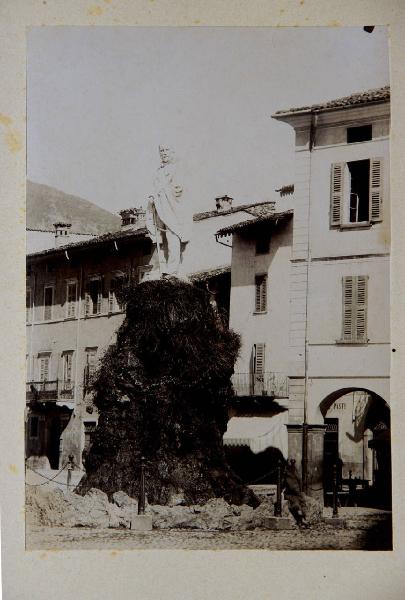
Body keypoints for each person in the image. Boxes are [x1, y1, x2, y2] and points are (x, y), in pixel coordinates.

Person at [146, 145, 190, 277]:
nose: (164, 153)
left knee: (172, 235)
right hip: (159, 205)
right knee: (161, 236)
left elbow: (181, 187)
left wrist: (175, 190)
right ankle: (163, 266)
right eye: (161, 151)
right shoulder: (158, 171)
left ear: (172, 152)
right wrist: (152, 195)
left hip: (172, 207)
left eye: (166, 150)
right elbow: (154, 186)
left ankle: (173, 268)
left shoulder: (178, 167)